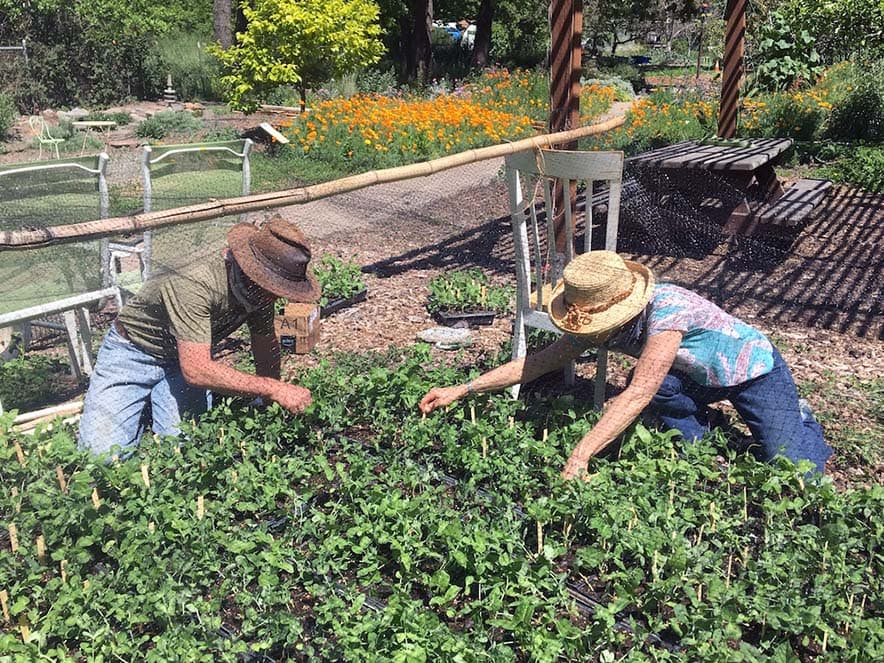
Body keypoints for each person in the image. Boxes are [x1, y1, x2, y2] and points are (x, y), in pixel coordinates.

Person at [419, 251, 831, 478]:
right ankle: (707, 437)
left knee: (796, 470)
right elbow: (540, 361)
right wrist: (463, 390)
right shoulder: (598, 317)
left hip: (750, 372)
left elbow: (638, 394)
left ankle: (799, 418)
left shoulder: (669, 311)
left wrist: (581, 454)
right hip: (695, 376)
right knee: (674, 413)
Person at [78, 216, 320, 456]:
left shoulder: (258, 289)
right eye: (274, 287)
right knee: (102, 459)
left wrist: (270, 399)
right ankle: (136, 400)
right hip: (134, 352)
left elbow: (264, 341)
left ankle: (148, 402)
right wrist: (271, 388)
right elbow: (197, 370)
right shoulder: (195, 280)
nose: (276, 296)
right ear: (251, 271)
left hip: (183, 358)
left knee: (184, 450)